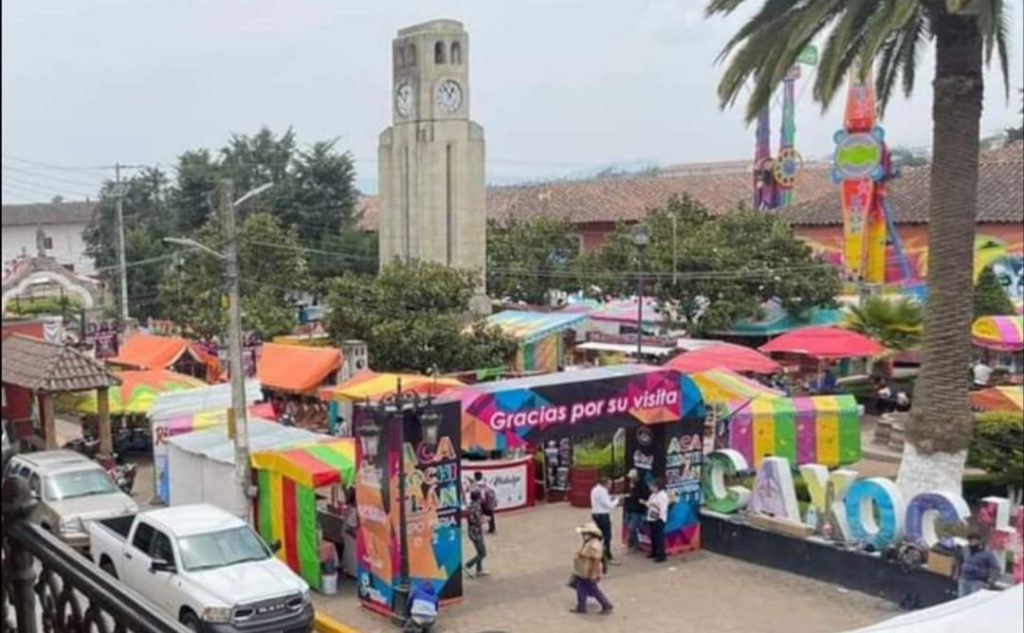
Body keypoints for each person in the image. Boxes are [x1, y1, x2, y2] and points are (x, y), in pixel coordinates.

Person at [569, 522, 614, 615]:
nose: (583, 535)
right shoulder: (589, 543)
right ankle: (581, 606)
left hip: (589, 571)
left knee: (592, 589)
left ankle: (606, 605)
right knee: (582, 588)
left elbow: (596, 561)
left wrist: (592, 573)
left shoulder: (594, 545)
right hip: (584, 571)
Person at [956, 531, 1001, 597]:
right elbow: (960, 561)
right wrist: (957, 575)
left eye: (974, 540)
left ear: (979, 540)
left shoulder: (987, 552)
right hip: (964, 580)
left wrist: (990, 581)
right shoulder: (965, 549)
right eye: (970, 540)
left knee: (973, 601)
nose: (972, 542)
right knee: (962, 601)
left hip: (978, 581)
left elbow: (995, 568)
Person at [589, 476, 619, 570]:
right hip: (603, 516)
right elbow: (609, 505)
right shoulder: (602, 491)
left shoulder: (595, 489)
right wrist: (616, 501)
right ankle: (607, 556)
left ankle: (597, 554)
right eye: (609, 484)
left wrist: (609, 498)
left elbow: (602, 500)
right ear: (605, 484)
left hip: (596, 515)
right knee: (607, 536)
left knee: (599, 536)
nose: (610, 486)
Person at [642, 478, 669, 563]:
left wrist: (659, 517)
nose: (651, 488)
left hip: (658, 518)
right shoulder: (653, 495)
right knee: (653, 536)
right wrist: (645, 503)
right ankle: (654, 551)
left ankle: (661, 555)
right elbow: (649, 503)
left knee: (659, 537)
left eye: (652, 486)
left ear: (657, 487)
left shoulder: (662, 495)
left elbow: (663, 508)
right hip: (651, 517)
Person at [623, 469, 648, 551]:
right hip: (630, 508)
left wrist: (634, 491)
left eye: (632, 478)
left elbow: (644, 496)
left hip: (637, 509)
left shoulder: (642, 485)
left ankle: (634, 544)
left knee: (632, 527)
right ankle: (633, 543)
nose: (631, 479)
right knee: (628, 525)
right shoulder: (630, 484)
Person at [464, 490, 488, 577]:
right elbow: (477, 521)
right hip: (476, 532)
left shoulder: (471, 505)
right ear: (478, 497)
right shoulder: (476, 507)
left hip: (473, 532)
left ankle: (479, 570)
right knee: (482, 553)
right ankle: (468, 565)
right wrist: (485, 520)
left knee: (479, 551)